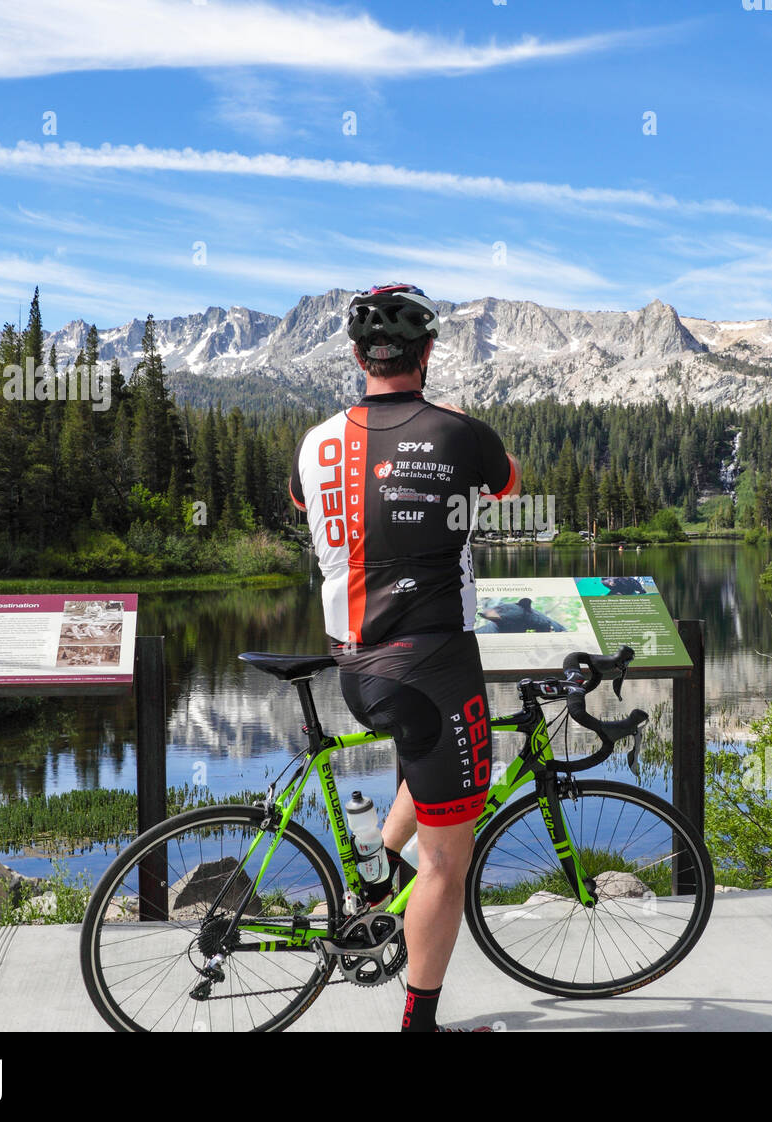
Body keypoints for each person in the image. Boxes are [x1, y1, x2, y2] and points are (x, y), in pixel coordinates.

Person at [288, 283, 520, 1032]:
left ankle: (377, 863)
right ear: (427, 352)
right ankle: (418, 1026)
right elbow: (511, 481)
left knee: (426, 772)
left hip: (357, 665)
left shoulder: (315, 440)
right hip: (437, 669)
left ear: (358, 356)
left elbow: (303, 503)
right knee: (448, 863)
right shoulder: (459, 431)